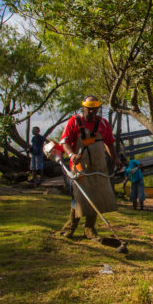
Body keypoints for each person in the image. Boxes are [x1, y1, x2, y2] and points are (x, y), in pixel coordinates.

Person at [58, 95, 122, 241]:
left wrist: (115, 159)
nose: (92, 112)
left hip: (98, 166)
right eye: (89, 109)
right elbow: (65, 141)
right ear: (84, 107)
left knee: (96, 197)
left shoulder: (103, 124)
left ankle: (90, 229)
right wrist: (71, 154)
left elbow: (109, 143)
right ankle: (70, 228)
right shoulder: (74, 121)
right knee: (78, 197)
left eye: (95, 109)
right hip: (79, 167)